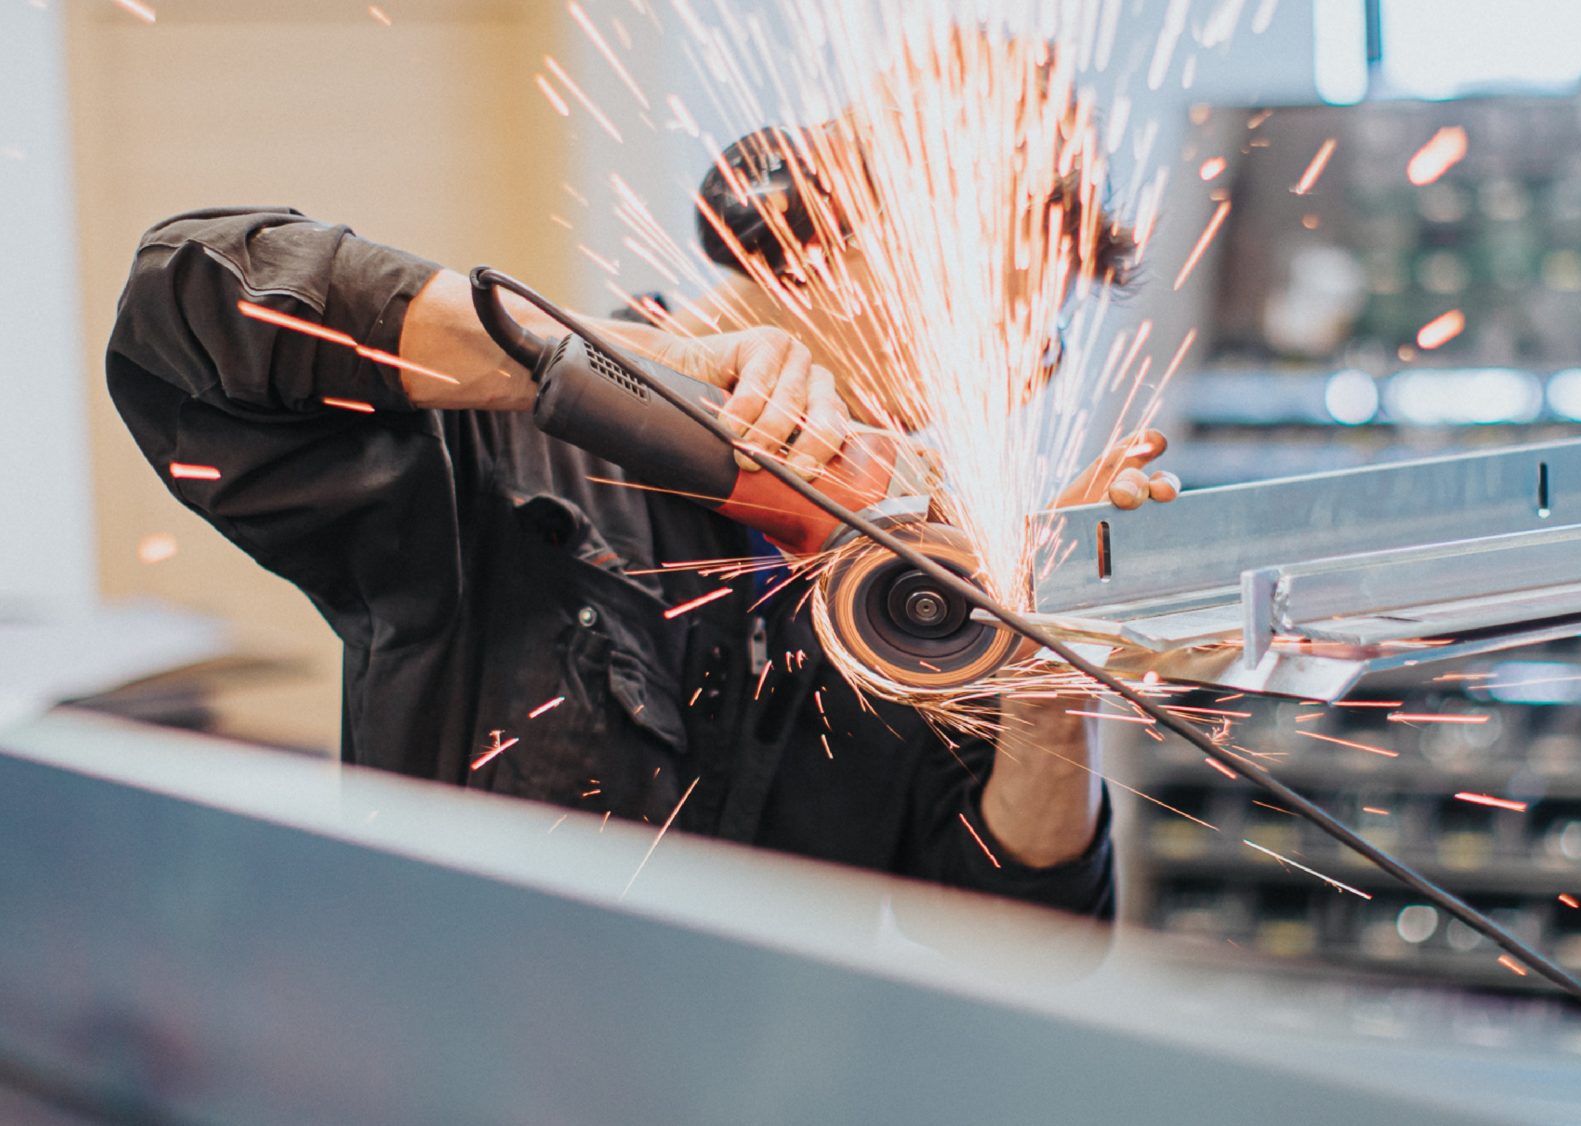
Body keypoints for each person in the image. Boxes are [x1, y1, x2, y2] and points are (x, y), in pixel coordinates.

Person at [106, 161, 1174, 922]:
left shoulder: (917, 581)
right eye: (994, 311)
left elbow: (1024, 923)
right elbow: (184, 298)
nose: (1012, 374)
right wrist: (614, 369)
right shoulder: (501, 447)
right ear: (818, 238)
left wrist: (1045, 679)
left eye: (1042, 344)